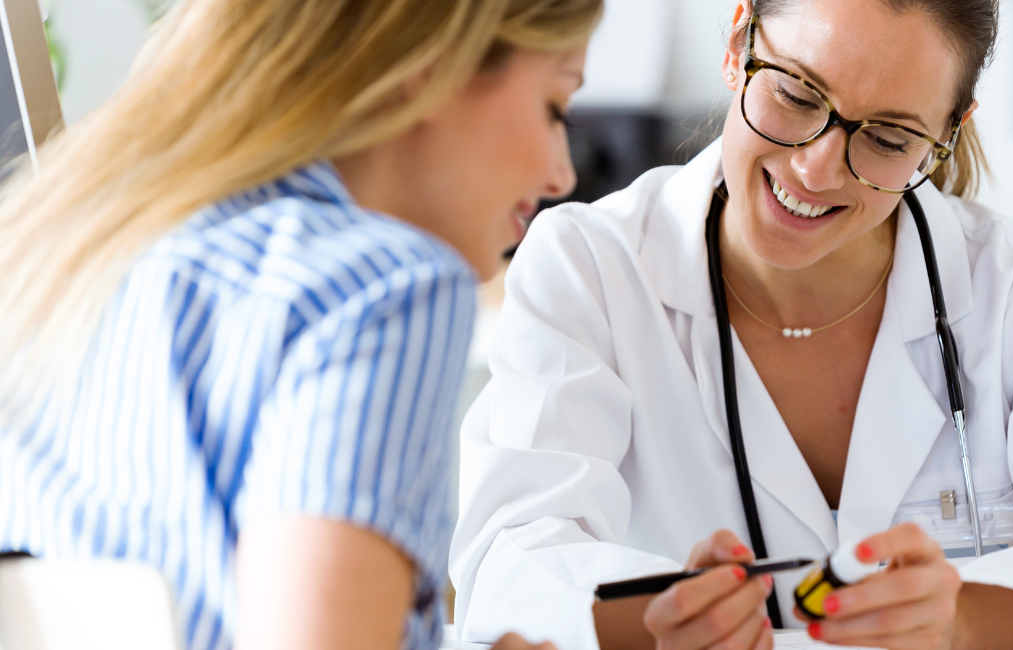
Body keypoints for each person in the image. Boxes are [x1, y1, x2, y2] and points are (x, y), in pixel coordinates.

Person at [448, 0, 1013, 649]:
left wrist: (959, 619)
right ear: (739, 39)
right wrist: (654, 620)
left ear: (947, 129)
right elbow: (509, 566)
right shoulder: (590, 267)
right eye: (796, 93)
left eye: (887, 138)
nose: (817, 168)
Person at [0, 0, 600, 649]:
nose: (561, 174)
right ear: (429, 67)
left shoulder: (67, 254)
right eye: (554, 108)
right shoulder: (387, 289)